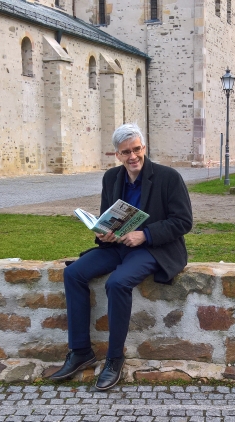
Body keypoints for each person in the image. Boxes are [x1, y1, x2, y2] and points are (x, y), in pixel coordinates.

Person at [49, 123, 193, 390]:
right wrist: (104, 233)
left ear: (144, 148)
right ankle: (80, 351)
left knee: (117, 283)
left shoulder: (168, 177)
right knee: (73, 273)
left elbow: (183, 222)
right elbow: (109, 216)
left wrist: (145, 235)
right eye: (125, 152)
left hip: (154, 248)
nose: (132, 157)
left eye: (136, 149)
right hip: (118, 246)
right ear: (117, 154)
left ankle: (114, 359)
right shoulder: (112, 178)